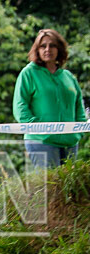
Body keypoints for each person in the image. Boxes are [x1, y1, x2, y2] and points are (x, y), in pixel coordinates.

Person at [13, 29, 87, 168]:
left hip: (70, 142)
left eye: (52, 45)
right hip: (42, 142)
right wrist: (38, 128)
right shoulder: (29, 73)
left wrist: (78, 131)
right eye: (43, 46)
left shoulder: (68, 76)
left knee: (69, 188)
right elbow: (20, 106)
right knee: (49, 187)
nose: (48, 49)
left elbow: (79, 106)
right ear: (37, 50)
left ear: (59, 49)